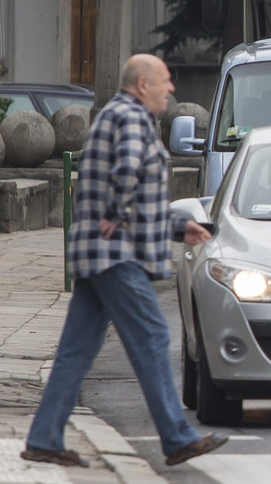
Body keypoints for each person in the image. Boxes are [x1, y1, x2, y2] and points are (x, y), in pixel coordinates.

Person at [21, 54, 228, 468]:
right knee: (152, 336)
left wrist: (177, 227)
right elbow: (127, 175)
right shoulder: (132, 118)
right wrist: (115, 214)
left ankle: (44, 437)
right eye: (165, 80)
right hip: (117, 255)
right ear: (142, 85)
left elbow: (135, 192)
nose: (171, 88)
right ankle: (175, 436)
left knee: (76, 350)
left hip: (97, 252)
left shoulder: (116, 115)